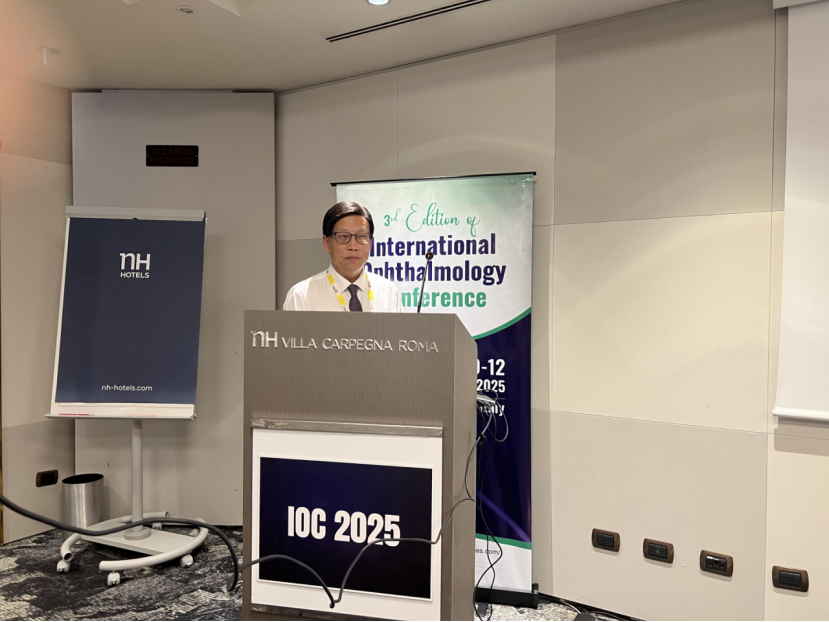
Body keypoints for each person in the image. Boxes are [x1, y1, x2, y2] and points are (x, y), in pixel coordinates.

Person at [283, 201, 403, 312]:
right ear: (326, 242)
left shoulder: (389, 292)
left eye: (361, 236)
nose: (353, 246)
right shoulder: (301, 296)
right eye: (343, 236)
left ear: (370, 243)